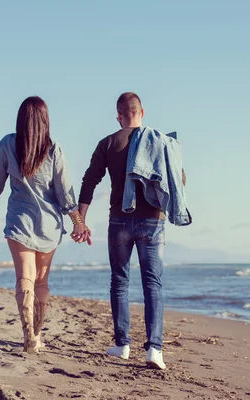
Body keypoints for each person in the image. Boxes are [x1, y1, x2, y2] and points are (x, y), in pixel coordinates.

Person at [78, 92, 188, 370]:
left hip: (119, 220)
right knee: (153, 283)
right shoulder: (161, 142)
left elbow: (90, 180)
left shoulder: (108, 143)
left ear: (118, 115)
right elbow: (179, 178)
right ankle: (155, 350)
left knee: (120, 281)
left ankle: (122, 345)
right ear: (142, 112)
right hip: (152, 221)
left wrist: (80, 219)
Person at [0, 96, 90, 353]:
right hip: (48, 226)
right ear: (45, 120)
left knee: (24, 277)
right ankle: (38, 335)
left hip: (19, 222)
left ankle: (28, 333)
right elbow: (66, 194)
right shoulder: (54, 150)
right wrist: (78, 223)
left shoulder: (8, 143)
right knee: (41, 281)